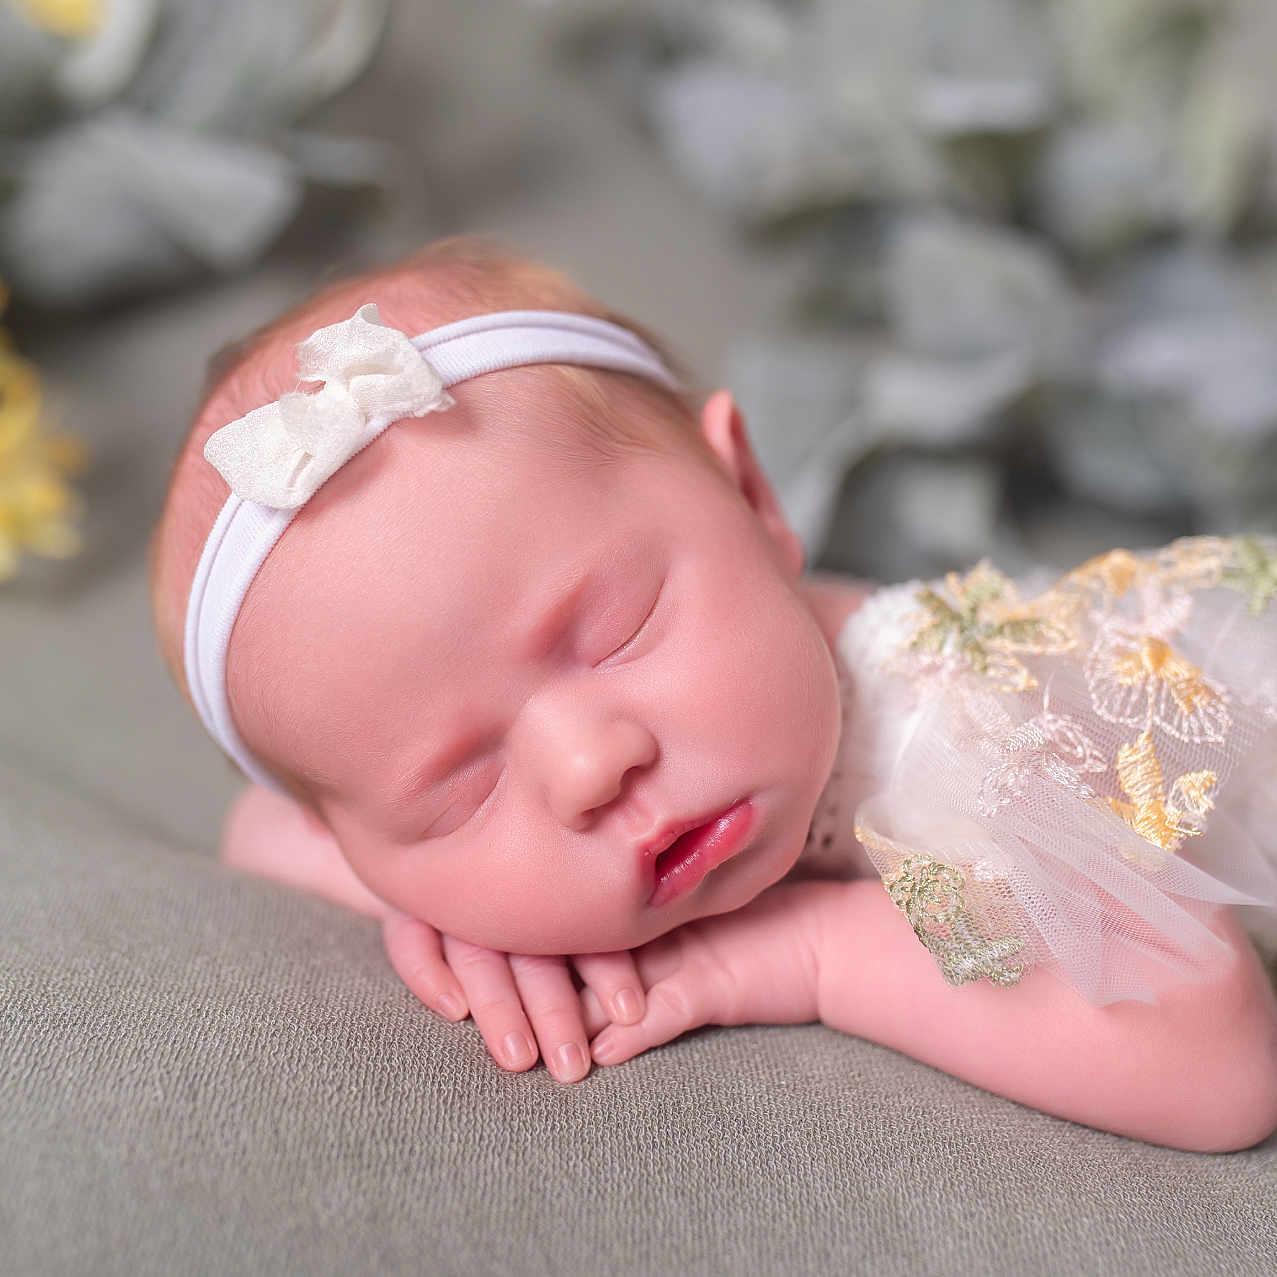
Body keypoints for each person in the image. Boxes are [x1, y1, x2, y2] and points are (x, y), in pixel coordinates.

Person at [149, 237, 1277, 1152]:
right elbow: (262, 825)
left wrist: (806, 951)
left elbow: (1211, 1059)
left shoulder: (953, 722)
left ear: (749, 494)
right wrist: (448, 910)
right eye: (458, 788)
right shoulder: (415, 827)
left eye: (616, 630)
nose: (589, 767)